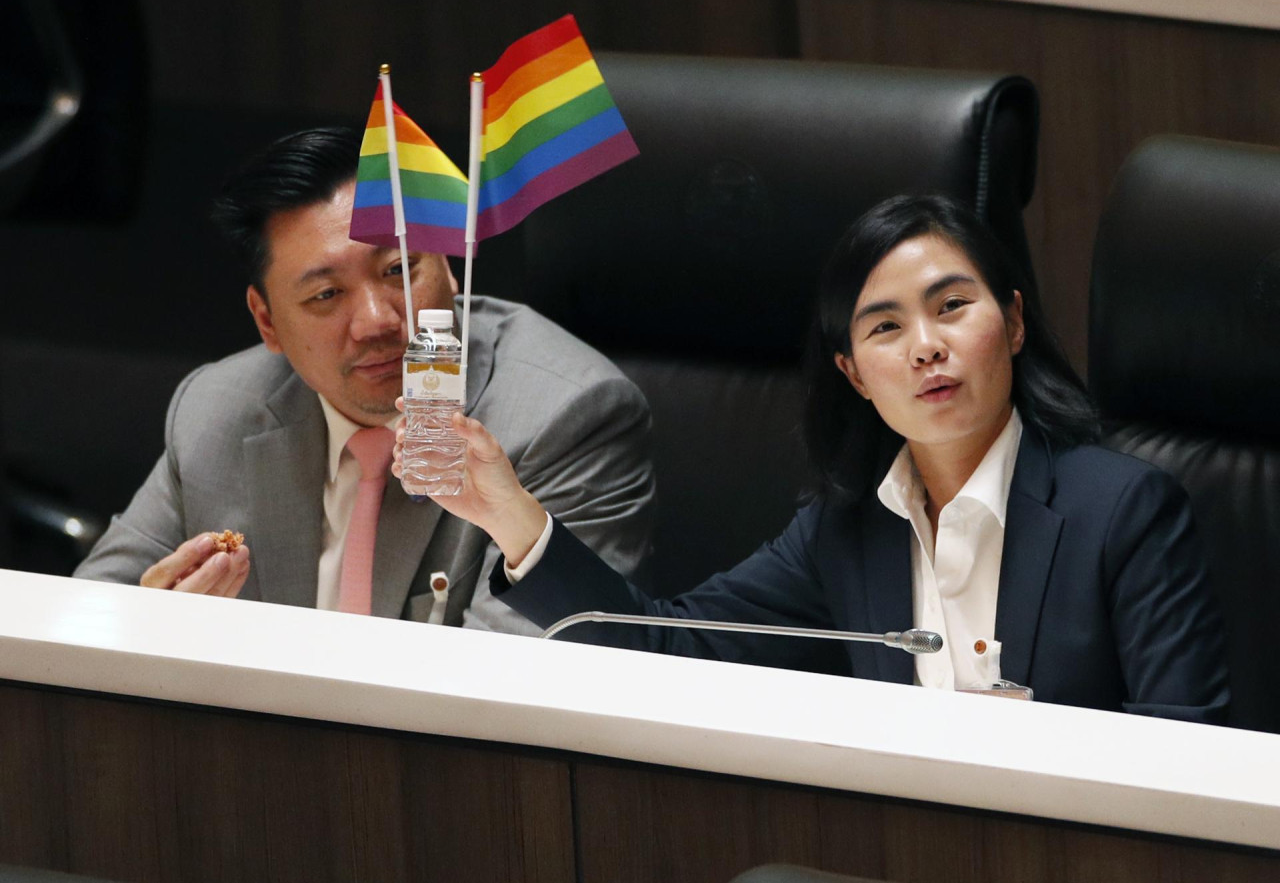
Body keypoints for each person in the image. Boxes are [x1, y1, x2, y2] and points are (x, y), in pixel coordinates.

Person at [397, 193, 1230, 722]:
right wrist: (511, 513)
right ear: (854, 374)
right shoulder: (844, 533)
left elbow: (1187, 752)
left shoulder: (1125, 512)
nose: (927, 348)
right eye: (886, 327)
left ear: (1012, 324)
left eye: (953, 307)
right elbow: (664, 650)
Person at [74, 127, 655, 634]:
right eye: (327, 294)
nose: (379, 320)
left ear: (450, 269)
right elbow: (81, 622)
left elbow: (509, 692)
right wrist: (147, 629)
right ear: (267, 322)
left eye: (401, 270)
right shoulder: (217, 409)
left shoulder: (564, 416)